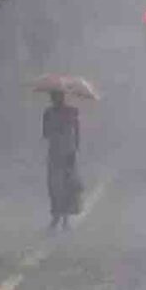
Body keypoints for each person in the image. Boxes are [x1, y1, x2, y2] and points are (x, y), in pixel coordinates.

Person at [43, 90, 81, 230]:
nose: (55, 100)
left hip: (66, 153)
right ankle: (57, 216)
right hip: (56, 153)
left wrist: (75, 148)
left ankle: (64, 219)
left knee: (67, 186)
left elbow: (77, 131)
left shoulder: (71, 112)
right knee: (54, 187)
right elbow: (45, 133)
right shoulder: (50, 113)